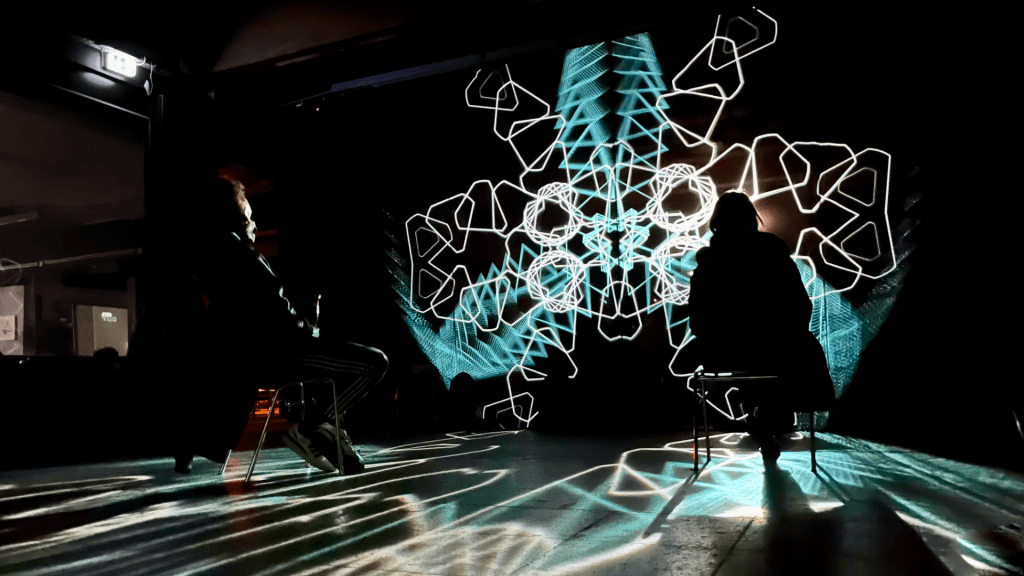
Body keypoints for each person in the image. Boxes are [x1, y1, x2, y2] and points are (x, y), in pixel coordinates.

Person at [175, 177, 388, 475]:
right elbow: (276, 315)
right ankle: (314, 427)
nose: (254, 224)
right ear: (233, 218)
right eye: (248, 216)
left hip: (256, 360)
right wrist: (309, 329)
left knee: (342, 368)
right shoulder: (242, 257)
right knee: (374, 363)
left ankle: (322, 428)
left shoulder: (211, 260)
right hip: (282, 352)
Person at [688, 191, 834, 460]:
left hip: (726, 352)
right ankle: (768, 417)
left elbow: (697, 317)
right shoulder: (773, 252)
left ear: (717, 221)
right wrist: (788, 331)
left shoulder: (709, 261)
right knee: (773, 357)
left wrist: (717, 336)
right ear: (751, 217)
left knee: (753, 358)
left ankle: (760, 417)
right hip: (776, 347)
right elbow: (799, 303)